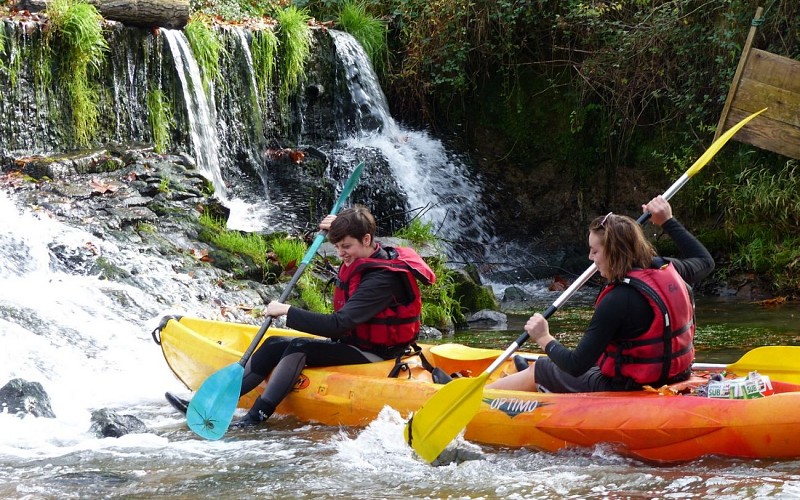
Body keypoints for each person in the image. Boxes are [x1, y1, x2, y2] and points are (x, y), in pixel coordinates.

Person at [166, 205, 436, 426]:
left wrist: (288, 311)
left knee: (298, 346)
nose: (342, 254)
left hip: (377, 353)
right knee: (272, 345)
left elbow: (339, 325)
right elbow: (353, 230)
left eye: (347, 246)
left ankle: (254, 417)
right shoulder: (364, 252)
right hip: (354, 343)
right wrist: (339, 225)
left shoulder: (381, 280)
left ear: (367, 240)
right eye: (338, 246)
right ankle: (209, 405)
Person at [488, 195, 714, 393]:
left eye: (595, 251)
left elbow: (576, 365)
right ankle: (519, 376)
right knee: (597, 357)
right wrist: (667, 221)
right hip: (676, 375)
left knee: (542, 368)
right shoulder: (666, 269)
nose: (590, 258)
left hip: (628, 386)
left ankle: (483, 396)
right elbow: (705, 261)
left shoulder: (618, 299)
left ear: (614, 253)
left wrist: (543, 337)